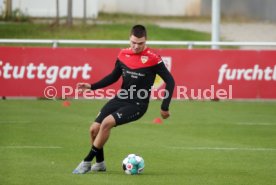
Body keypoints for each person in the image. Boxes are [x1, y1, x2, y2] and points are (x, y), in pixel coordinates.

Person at [73, 24, 175, 174]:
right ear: (129, 39)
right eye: (133, 42)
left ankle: (86, 161)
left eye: (140, 43)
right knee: (94, 129)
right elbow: (113, 77)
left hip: (138, 104)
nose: (136, 46)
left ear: (145, 41)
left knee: (106, 123)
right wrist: (91, 86)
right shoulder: (122, 55)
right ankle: (100, 163)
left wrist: (164, 107)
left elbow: (170, 81)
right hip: (121, 98)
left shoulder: (154, 59)